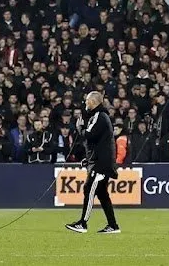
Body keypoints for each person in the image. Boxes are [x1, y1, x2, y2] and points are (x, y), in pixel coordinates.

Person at [66, 91, 120, 235]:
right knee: (102, 194)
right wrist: (88, 158)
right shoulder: (100, 116)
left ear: (94, 102)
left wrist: (80, 128)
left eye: (87, 101)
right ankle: (113, 225)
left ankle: (82, 223)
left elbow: (89, 135)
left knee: (89, 189)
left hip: (101, 164)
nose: (85, 104)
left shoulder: (99, 116)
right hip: (99, 161)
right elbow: (97, 142)